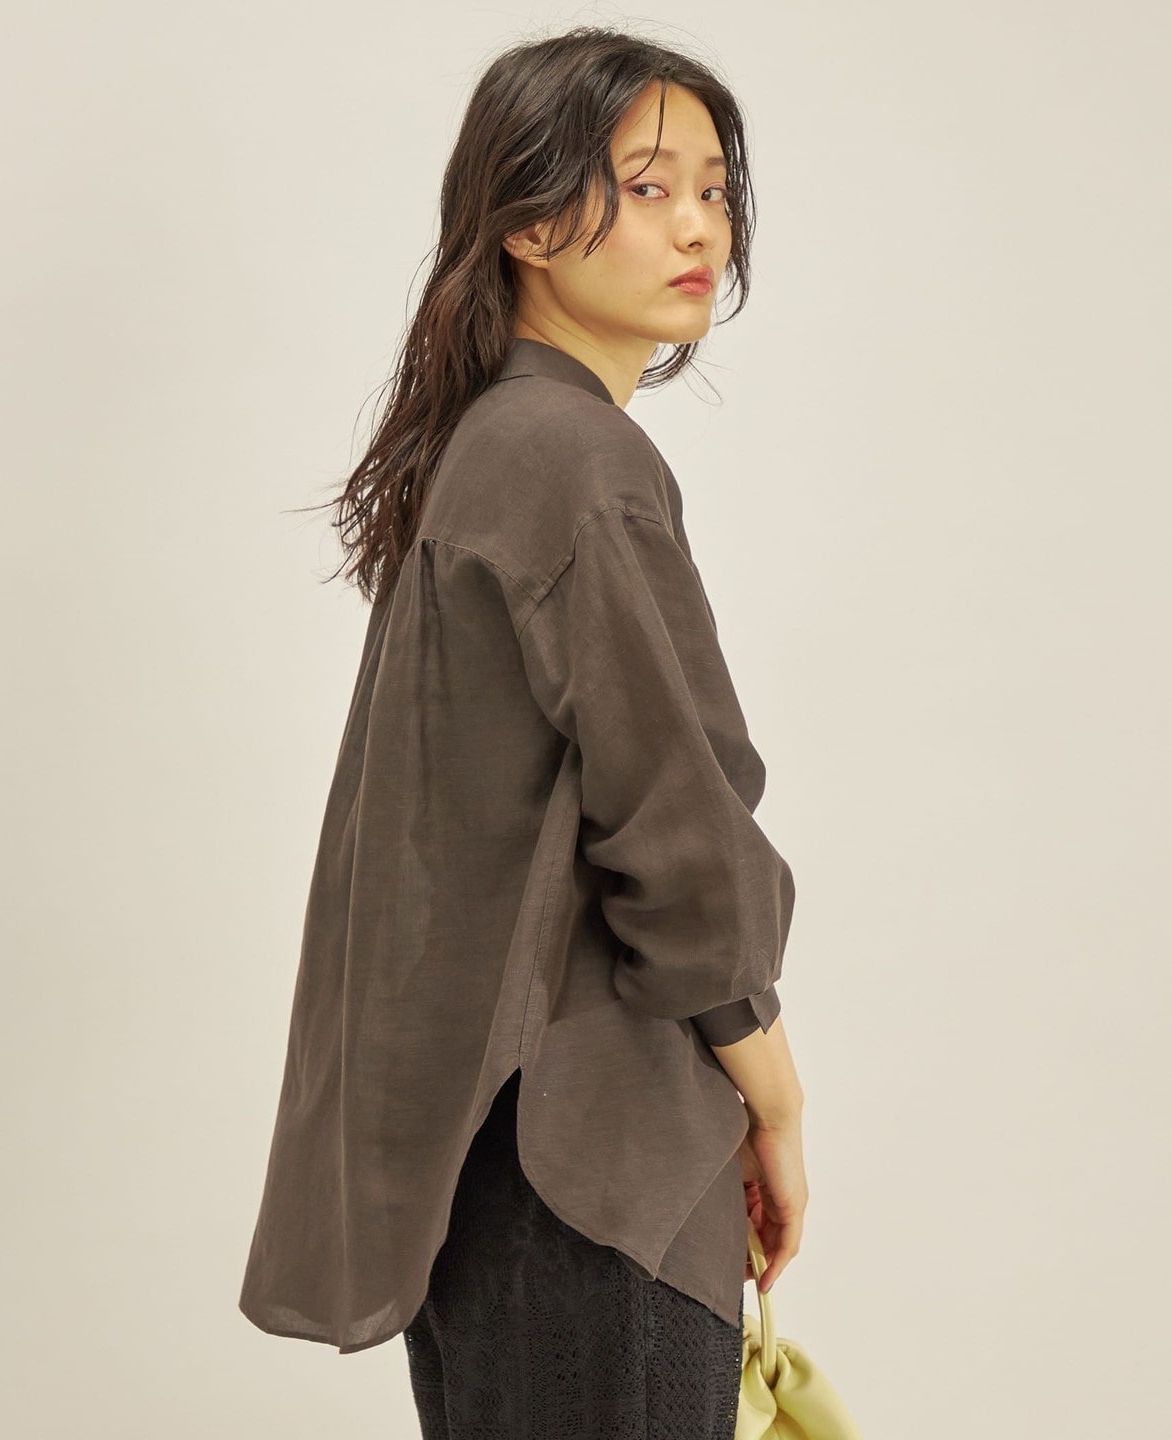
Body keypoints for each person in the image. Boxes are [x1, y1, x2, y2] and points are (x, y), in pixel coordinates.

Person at [238, 23, 808, 1439]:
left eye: (715, 190)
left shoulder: (493, 441)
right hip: (590, 1161)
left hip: (493, 1170)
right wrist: (773, 1090)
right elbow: (677, 818)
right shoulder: (572, 456)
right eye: (649, 186)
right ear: (532, 221)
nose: (701, 227)